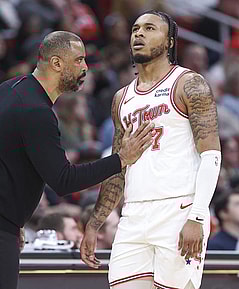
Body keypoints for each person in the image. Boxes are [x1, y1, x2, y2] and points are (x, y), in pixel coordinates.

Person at [0, 30, 154, 289]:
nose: (85, 67)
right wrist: (120, 159)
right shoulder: (37, 112)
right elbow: (63, 180)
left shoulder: (9, 88)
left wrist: (13, 218)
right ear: (57, 63)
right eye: (79, 60)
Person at [80, 10, 221, 289]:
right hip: (133, 215)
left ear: (169, 41)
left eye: (149, 28)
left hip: (179, 209)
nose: (139, 34)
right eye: (135, 29)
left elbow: (212, 155)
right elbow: (117, 166)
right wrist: (95, 222)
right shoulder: (122, 98)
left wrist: (197, 216)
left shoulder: (188, 84)